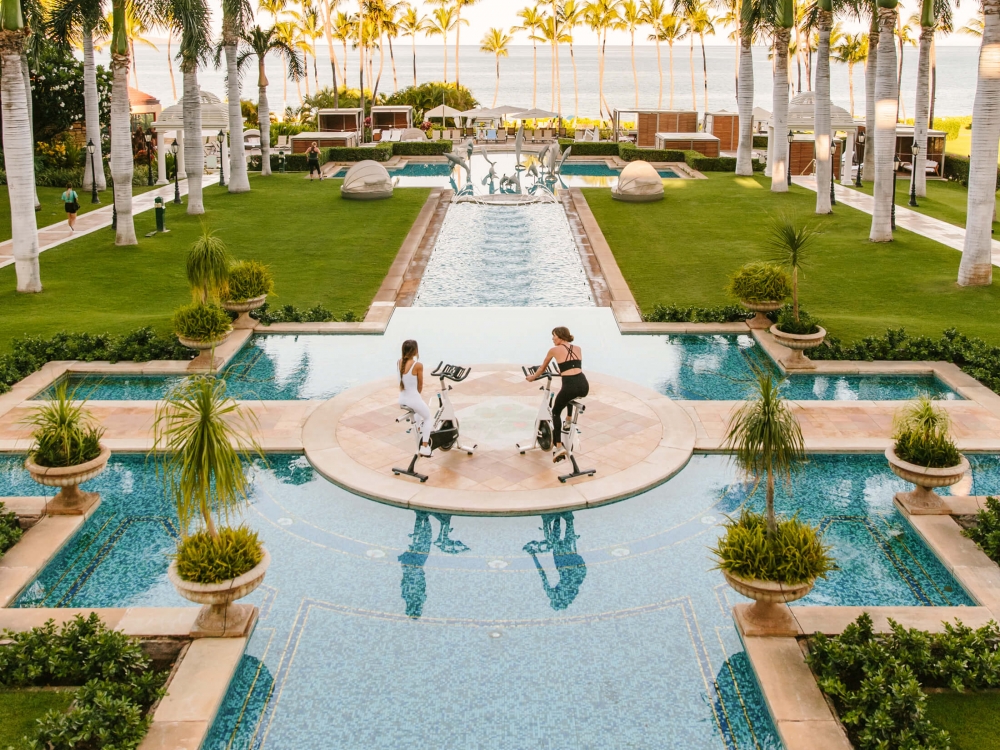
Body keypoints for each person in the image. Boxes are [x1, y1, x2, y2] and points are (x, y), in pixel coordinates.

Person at [526, 326, 589, 463]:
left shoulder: (553, 350)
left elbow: (542, 368)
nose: (552, 338)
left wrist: (532, 377)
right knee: (568, 397)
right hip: (583, 385)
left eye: (554, 335)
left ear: (560, 336)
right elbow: (572, 366)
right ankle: (568, 419)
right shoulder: (578, 348)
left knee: (555, 412)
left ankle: (559, 447)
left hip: (570, 385)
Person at [398, 339, 432, 457]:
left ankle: (418, 429)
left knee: (418, 408)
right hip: (412, 399)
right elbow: (420, 385)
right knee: (428, 417)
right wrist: (417, 396)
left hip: (402, 399)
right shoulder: (418, 365)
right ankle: (425, 446)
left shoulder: (399, 362)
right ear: (415, 350)